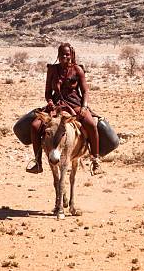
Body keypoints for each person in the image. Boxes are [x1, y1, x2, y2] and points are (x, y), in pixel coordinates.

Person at [27, 42, 102, 175]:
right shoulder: (52, 70)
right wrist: (50, 101)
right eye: (62, 54)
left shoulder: (78, 70)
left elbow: (85, 91)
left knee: (91, 125)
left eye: (67, 54)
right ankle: (38, 163)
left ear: (71, 55)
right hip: (57, 105)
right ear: (58, 55)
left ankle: (95, 161)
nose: (64, 57)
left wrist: (84, 108)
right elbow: (48, 92)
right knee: (35, 125)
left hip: (75, 104)